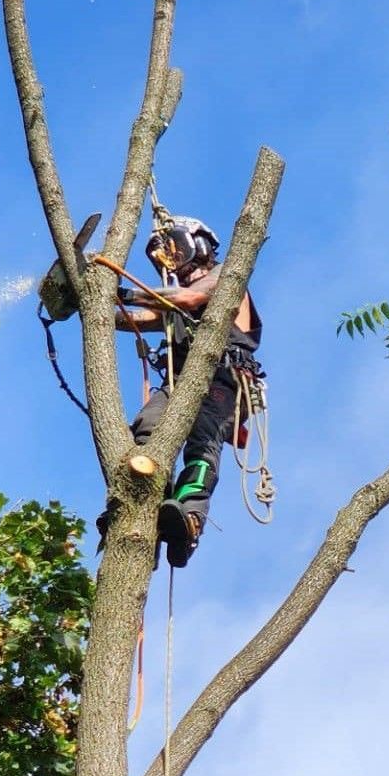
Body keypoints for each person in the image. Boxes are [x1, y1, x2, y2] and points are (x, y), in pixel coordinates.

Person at [101, 215, 262, 568]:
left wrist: (125, 291)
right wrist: (95, 304)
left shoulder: (225, 277)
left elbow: (187, 299)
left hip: (222, 377)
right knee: (145, 428)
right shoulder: (172, 303)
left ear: (199, 246)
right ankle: (143, 509)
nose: (175, 264)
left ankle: (189, 517)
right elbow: (139, 319)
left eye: (177, 252)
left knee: (202, 439)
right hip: (179, 381)